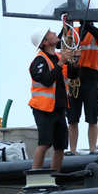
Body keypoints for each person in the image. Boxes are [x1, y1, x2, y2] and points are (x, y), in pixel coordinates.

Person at [28, 28, 74, 170]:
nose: (55, 33)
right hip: (43, 108)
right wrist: (62, 63)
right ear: (45, 42)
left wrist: (75, 62)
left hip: (59, 107)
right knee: (45, 143)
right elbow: (47, 80)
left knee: (60, 145)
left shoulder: (58, 57)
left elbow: (72, 75)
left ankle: (55, 177)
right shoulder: (39, 60)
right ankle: (34, 176)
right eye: (51, 34)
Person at [66, 20, 98, 155]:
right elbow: (62, 38)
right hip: (75, 76)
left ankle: (92, 148)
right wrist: (66, 25)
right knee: (72, 117)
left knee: (92, 117)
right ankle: (72, 150)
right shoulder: (73, 31)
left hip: (91, 77)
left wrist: (86, 23)